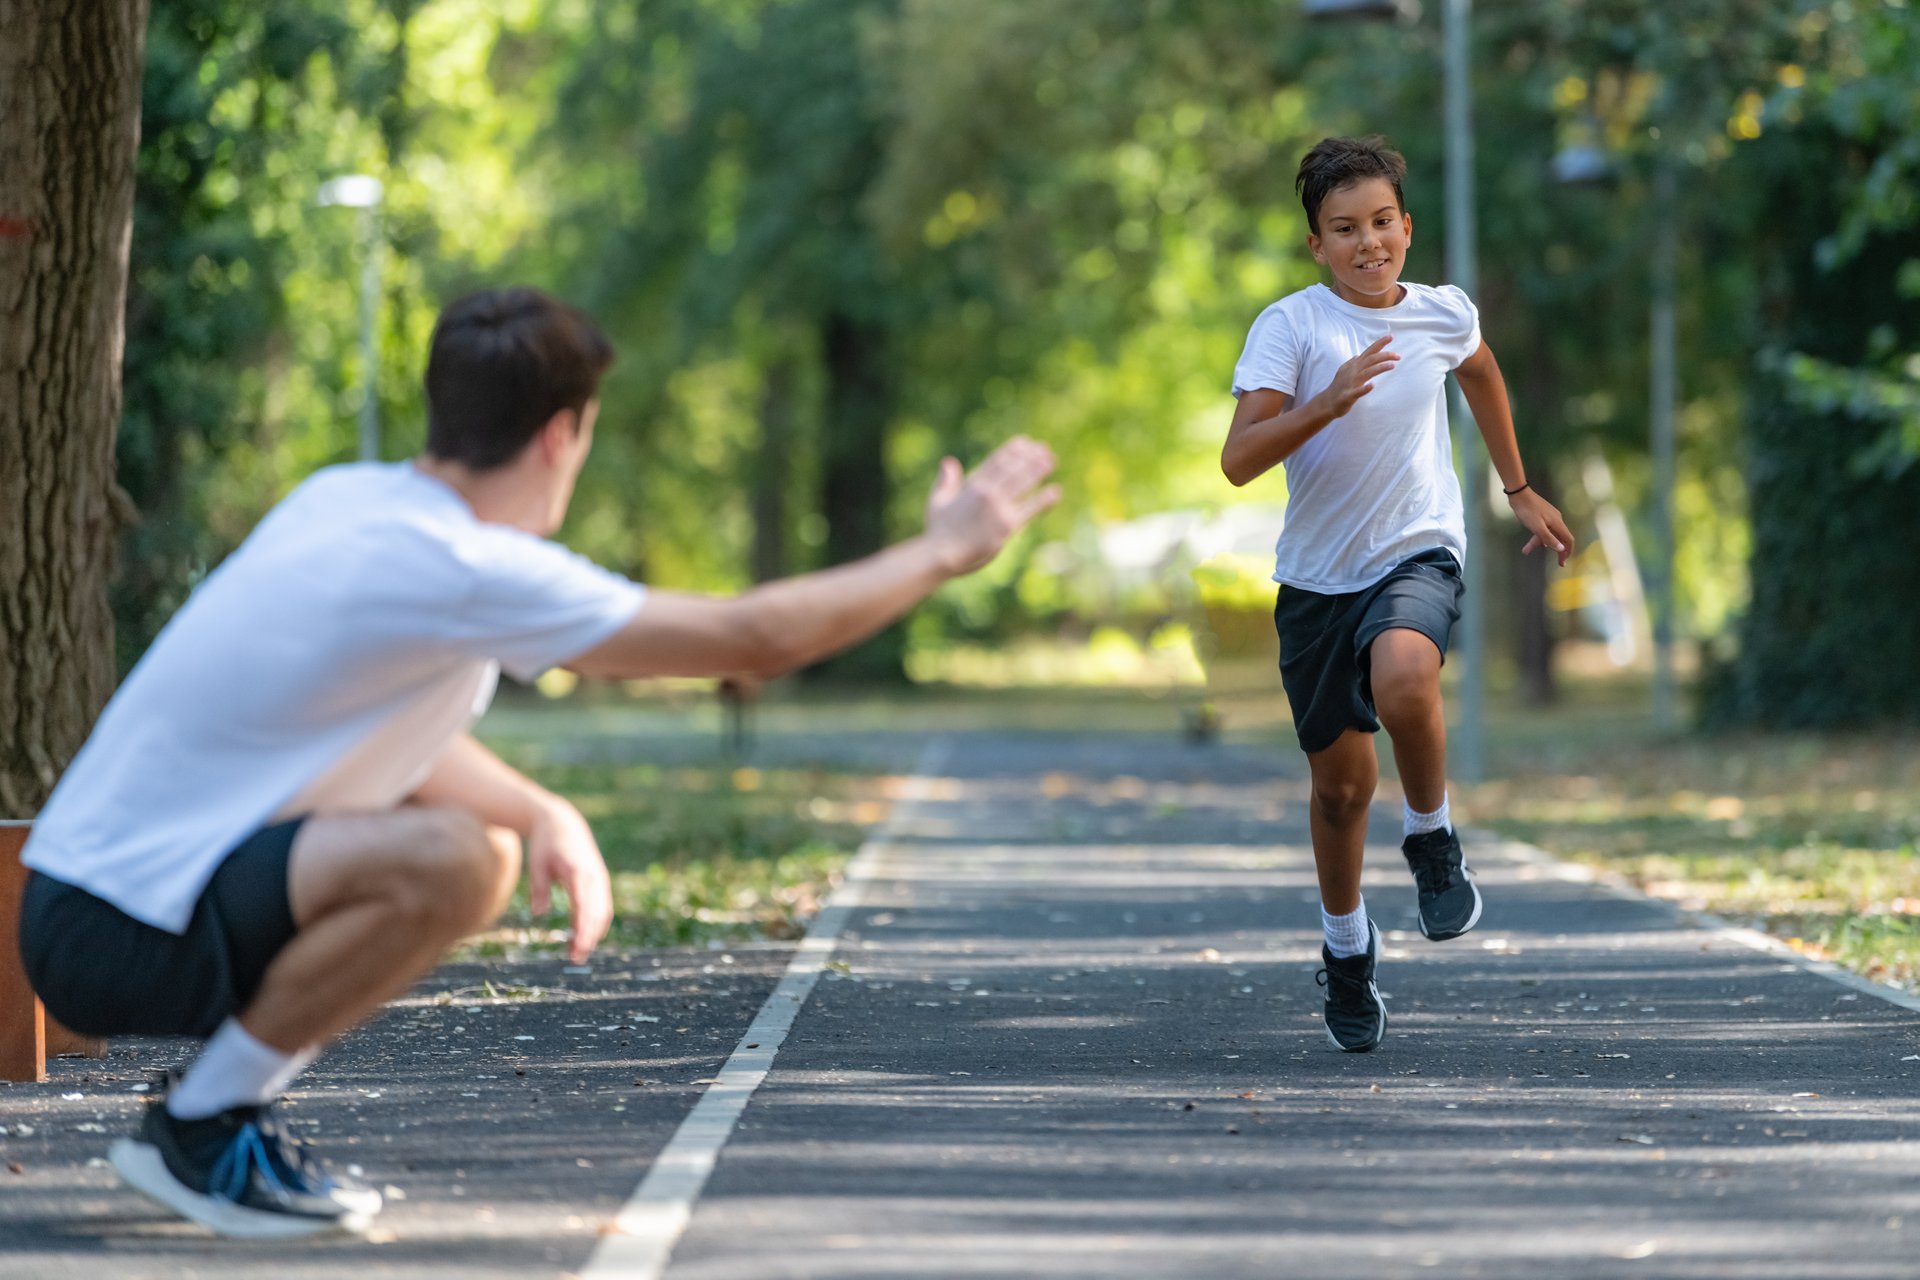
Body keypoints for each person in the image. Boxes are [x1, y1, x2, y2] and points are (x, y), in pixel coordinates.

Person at [17, 286, 1059, 1237]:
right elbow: (753, 638)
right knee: (459, 862)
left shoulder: (351, 501)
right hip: (121, 926)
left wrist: (542, 805)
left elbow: (365, 727)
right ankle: (203, 1123)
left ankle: (212, 1117)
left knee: (481, 838)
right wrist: (939, 553)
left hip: (85, 902)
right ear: (563, 433)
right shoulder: (466, 563)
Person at [1220, 136, 1573, 1053]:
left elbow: (1482, 372)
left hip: (1418, 551)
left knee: (1408, 678)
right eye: (1345, 229)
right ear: (1317, 244)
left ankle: (1433, 836)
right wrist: (1324, 403)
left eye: (1382, 223)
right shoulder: (1290, 328)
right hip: (1316, 582)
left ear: (1407, 229)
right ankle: (1346, 949)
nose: (1367, 243)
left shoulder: (1442, 313)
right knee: (1340, 791)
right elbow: (1238, 460)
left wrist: (1517, 485)